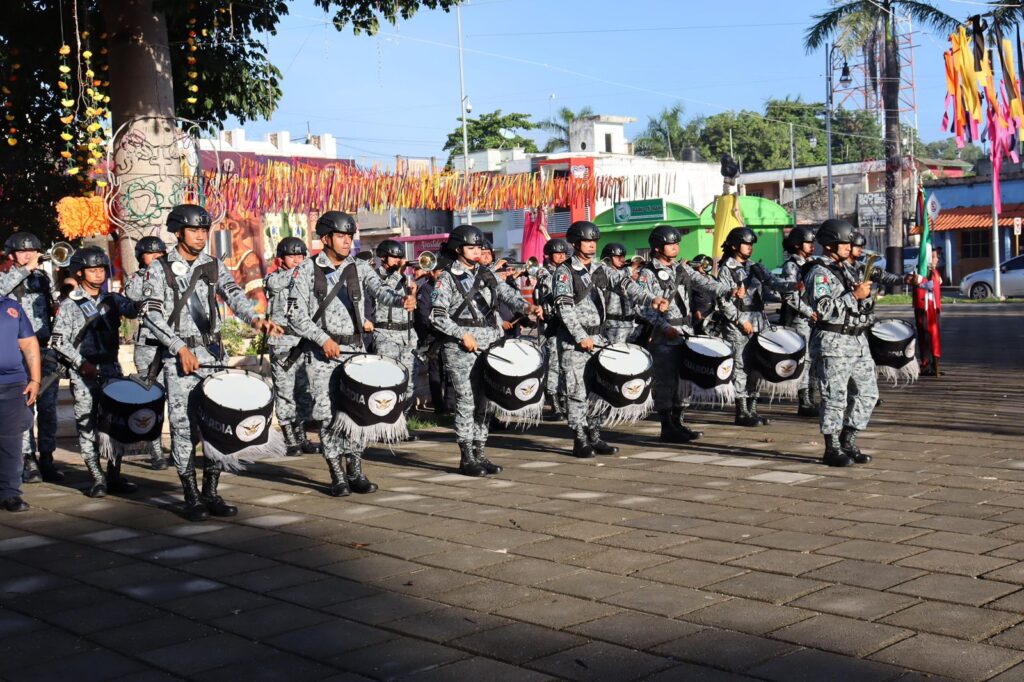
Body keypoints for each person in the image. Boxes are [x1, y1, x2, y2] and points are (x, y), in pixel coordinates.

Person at [140, 204, 282, 521]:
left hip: (213, 357)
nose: (201, 236)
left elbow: (234, 295)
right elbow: (151, 315)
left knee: (218, 424)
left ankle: (211, 492)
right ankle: (191, 495)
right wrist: (178, 347)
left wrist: (256, 319)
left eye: (204, 230)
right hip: (180, 361)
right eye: (194, 230)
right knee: (184, 429)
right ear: (178, 232)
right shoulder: (159, 269)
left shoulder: (213, 265)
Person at [288, 211, 413, 496]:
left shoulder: (359, 267)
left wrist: (401, 300)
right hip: (322, 355)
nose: (347, 242)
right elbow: (294, 315)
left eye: (350, 236)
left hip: (355, 352)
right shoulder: (305, 270)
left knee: (357, 412)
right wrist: (322, 339)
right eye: (341, 236)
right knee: (328, 415)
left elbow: (380, 291)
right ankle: (337, 474)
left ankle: (355, 471)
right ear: (325, 239)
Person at [429, 224, 541, 476]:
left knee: (486, 401)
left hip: (490, 344)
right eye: (471, 247)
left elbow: (507, 294)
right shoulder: (447, 277)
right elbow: (437, 316)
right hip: (462, 348)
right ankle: (466, 457)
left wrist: (528, 307)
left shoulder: (486, 273)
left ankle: (480, 452)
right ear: (458, 249)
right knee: (467, 402)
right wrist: (462, 334)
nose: (477, 251)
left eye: (479, 246)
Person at [555, 221, 668, 457]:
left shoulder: (600, 268)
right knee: (577, 392)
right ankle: (579, 439)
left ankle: (595, 435)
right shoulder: (564, 272)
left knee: (599, 389)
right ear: (575, 243)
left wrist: (651, 300)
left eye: (594, 241)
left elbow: (625, 285)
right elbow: (564, 308)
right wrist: (580, 336)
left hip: (599, 337)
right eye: (587, 241)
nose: (592, 245)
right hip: (575, 342)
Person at [51, 247, 140, 497]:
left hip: (111, 369)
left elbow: (134, 309)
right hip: (84, 373)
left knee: (115, 424)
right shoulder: (70, 304)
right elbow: (58, 340)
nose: (99, 274)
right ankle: (98, 478)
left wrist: (141, 286)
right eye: (93, 270)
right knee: (87, 425)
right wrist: (81, 363)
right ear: (80, 272)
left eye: (101, 269)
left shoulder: (112, 300)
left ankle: (114, 475)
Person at [637, 226, 732, 442]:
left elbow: (705, 283)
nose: (675, 247)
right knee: (666, 382)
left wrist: (728, 290)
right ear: (658, 247)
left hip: (685, 333)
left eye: (676, 243)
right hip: (664, 335)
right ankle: (666, 426)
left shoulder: (682, 269)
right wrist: (664, 328)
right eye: (670, 244)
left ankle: (679, 422)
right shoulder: (647, 273)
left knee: (684, 380)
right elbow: (642, 308)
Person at [804, 219, 878, 467]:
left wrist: (865, 297)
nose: (849, 247)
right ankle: (832, 447)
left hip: (857, 341)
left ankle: (849, 439)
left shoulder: (847, 269)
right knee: (834, 397)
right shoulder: (819, 273)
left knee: (868, 394)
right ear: (829, 245)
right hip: (833, 343)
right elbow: (823, 309)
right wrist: (853, 296)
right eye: (845, 243)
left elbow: (858, 303)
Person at [716, 227, 800, 427]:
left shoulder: (755, 266)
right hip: (739, 324)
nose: (749, 247)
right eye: (746, 244)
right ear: (734, 246)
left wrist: (792, 286)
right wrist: (740, 320)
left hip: (758, 321)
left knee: (757, 366)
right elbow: (723, 301)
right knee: (741, 367)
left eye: (751, 244)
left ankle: (752, 408)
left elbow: (772, 283)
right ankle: (742, 411)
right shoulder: (727, 269)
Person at [0, 232, 62, 483]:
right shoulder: (6, 276)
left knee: (48, 409)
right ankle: (27, 460)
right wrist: (26, 269)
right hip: (17, 352)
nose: (29, 255)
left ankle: (47, 457)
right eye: (23, 251)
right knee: (24, 407)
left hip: (44, 349)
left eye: (33, 251)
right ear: (12, 255)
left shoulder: (42, 278)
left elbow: (52, 305)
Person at [264, 237, 320, 457]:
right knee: (285, 392)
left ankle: (302, 435)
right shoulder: (274, 278)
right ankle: (289, 438)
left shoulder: (306, 279)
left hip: (304, 342)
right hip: (283, 344)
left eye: (301, 256)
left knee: (304, 392)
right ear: (281, 259)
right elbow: (275, 284)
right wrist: (304, 268)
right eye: (292, 256)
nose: (297, 260)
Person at [123, 236, 171, 470]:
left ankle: (183, 448)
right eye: (151, 254)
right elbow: (134, 296)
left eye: (160, 254)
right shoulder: (136, 279)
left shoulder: (173, 274)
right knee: (151, 400)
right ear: (141, 257)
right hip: (148, 347)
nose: (156, 257)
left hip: (172, 343)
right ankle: (156, 451)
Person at [372, 239, 419, 440]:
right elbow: (384, 293)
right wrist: (399, 272)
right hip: (386, 335)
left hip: (407, 335)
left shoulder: (403, 278)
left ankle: (401, 425)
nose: (399, 260)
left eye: (401, 257)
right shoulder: (375, 277)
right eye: (395, 257)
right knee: (387, 384)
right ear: (383, 258)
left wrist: (412, 290)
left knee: (408, 385)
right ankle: (384, 428)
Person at [0, 294, 40, 512]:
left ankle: (9, 493)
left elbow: (28, 342)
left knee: (11, 442)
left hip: (12, 383)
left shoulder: (11, 306)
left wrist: (35, 379)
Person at [779, 227, 820, 417]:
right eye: (808, 242)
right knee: (805, 358)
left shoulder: (812, 263)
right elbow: (790, 296)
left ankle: (812, 395)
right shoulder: (791, 266)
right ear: (797, 245)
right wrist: (809, 312)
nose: (812, 246)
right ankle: (804, 400)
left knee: (815, 358)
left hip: (815, 317)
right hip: (800, 318)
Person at [535, 238, 572, 421]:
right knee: (553, 364)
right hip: (551, 324)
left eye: (563, 253)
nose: (561, 256)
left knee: (567, 364)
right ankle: (554, 403)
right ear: (549, 255)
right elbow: (549, 290)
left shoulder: (566, 271)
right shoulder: (545, 272)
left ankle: (566, 400)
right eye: (557, 254)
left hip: (565, 323)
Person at [599, 242, 637, 344]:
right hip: (613, 327)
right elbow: (614, 277)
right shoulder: (604, 273)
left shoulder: (625, 274)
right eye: (618, 257)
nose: (622, 260)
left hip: (631, 325)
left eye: (623, 257)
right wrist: (630, 270)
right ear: (608, 258)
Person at [914, 245, 943, 376]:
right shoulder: (920, 272)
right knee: (925, 336)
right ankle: (926, 364)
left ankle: (934, 364)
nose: (936, 259)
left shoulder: (935, 272)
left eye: (936, 257)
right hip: (924, 308)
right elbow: (918, 285)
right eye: (933, 257)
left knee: (934, 337)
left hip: (934, 308)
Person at [687, 254, 717, 337]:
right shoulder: (692, 279)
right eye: (701, 264)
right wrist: (694, 310)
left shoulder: (712, 278)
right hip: (698, 315)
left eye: (704, 265)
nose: (701, 267)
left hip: (712, 315)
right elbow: (688, 297)